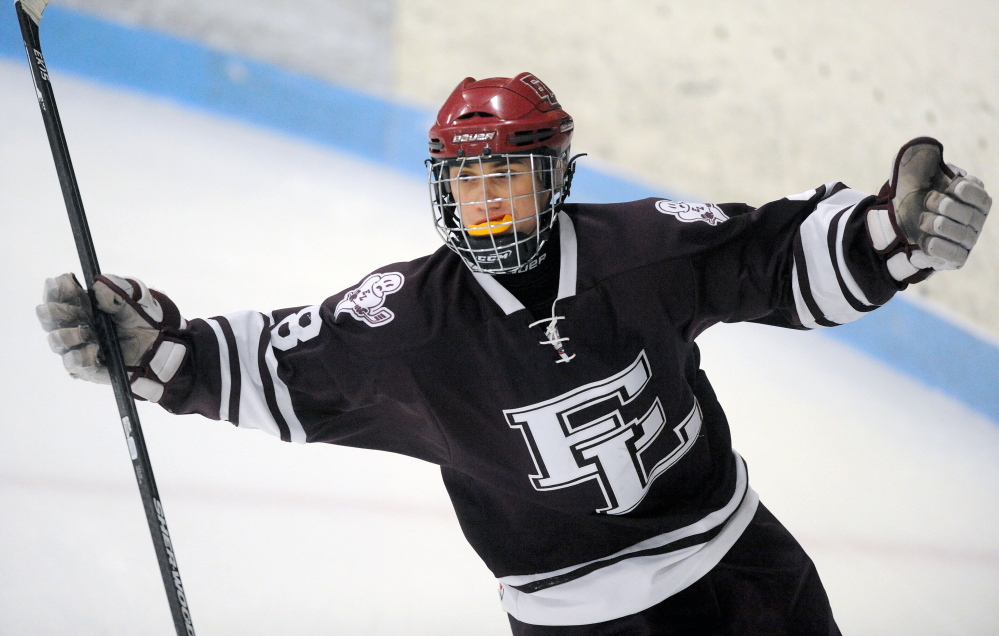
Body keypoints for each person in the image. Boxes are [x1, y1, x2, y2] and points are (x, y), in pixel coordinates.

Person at [37, 72, 991, 635]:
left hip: (742, 570)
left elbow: (770, 257)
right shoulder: (408, 324)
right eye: (469, 184)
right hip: (577, 622)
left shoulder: (642, 248)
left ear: (558, 177)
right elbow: (275, 367)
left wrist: (886, 234)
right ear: (440, 190)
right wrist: (159, 347)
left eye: (511, 183)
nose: (489, 206)